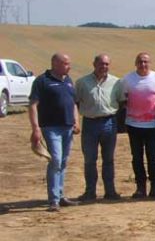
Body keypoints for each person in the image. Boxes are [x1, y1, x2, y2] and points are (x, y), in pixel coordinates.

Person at [29, 53, 79, 211]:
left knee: (63, 162)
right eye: (66, 63)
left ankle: (60, 195)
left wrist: (76, 121)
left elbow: (73, 104)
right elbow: (32, 105)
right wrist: (35, 128)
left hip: (68, 127)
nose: (69, 66)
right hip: (51, 128)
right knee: (55, 160)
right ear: (55, 64)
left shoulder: (69, 81)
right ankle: (53, 200)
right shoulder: (42, 81)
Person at [118, 52, 155, 199]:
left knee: (153, 158)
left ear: (150, 63)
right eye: (140, 62)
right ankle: (140, 188)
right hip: (133, 125)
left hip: (152, 125)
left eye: (146, 62)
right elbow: (122, 99)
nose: (143, 64)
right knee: (137, 157)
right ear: (135, 63)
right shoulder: (128, 79)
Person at [74, 53, 119, 201]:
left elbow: (123, 102)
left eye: (106, 64)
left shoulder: (116, 82)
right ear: (94, 64)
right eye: (101, 64)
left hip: (109, 123)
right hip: (90, 123)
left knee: (109, 159)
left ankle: (110, 191)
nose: (104, 67)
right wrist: (76, 121)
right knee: (89, 159)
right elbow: (75, 102)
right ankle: (90, 192)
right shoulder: (82, 82)